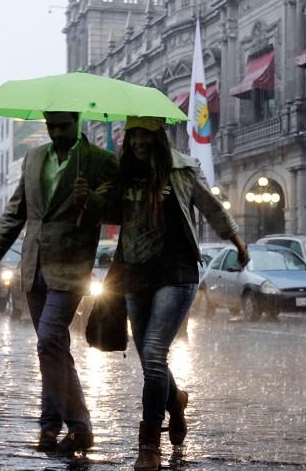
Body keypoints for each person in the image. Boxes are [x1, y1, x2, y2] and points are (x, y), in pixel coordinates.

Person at [109, 116, 248, 470]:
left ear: (158, 136)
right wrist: (87, 197)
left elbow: (211, 206)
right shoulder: (122, 174)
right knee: (148, 357)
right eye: (134, 135)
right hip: (135, 273)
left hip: (177, 270)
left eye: (146, 135)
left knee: (154, 353)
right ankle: (176, 401)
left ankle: (148, 446)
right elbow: (107, 214)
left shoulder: (182, 169)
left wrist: (237, 240)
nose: (139, 142)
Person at [0, 111, 118, 454]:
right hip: (32, 266)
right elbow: (16, 211)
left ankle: (49, 427)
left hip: (70, 267)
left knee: (48, 342)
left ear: (77, 121)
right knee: (54, 350)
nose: (56, 132)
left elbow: (118, 212)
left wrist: (91, 200)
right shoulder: (34, 157)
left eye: (63, 126)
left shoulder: (100, 161)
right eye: (50, 126)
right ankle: (80, 427)